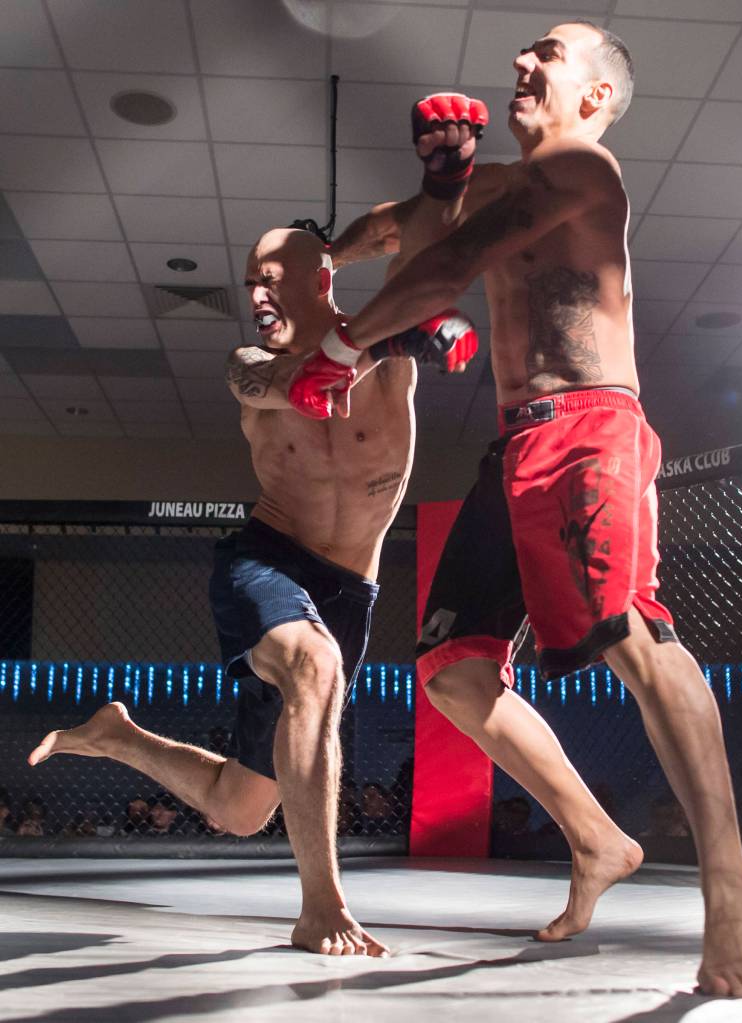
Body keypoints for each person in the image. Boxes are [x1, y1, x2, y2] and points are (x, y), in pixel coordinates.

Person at [288, 21, 742, 997]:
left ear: (593, 97)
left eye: (549, 56)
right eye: (526, 51)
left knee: (632, 637)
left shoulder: (582, 170)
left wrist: (340, 349)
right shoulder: (504, 185)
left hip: (588, 429)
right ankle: (598, 839)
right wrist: (332, 252)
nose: (523, 62)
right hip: (512, 451)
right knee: (452, 673)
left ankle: (731, 887)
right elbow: (412, 230)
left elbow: (443, 265)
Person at [28, 226, 479, 958]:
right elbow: (294, 387)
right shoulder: (250, 365)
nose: (257, 295)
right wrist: (391, 342)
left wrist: (445, 167)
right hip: (266, 561)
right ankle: (321, 903)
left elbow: (429, 253)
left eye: (272, 276)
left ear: (322, 280)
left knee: (239, 809)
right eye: (249, 283)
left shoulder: (395, 365)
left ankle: (119, 735)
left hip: (348, 591)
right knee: (314, 666)